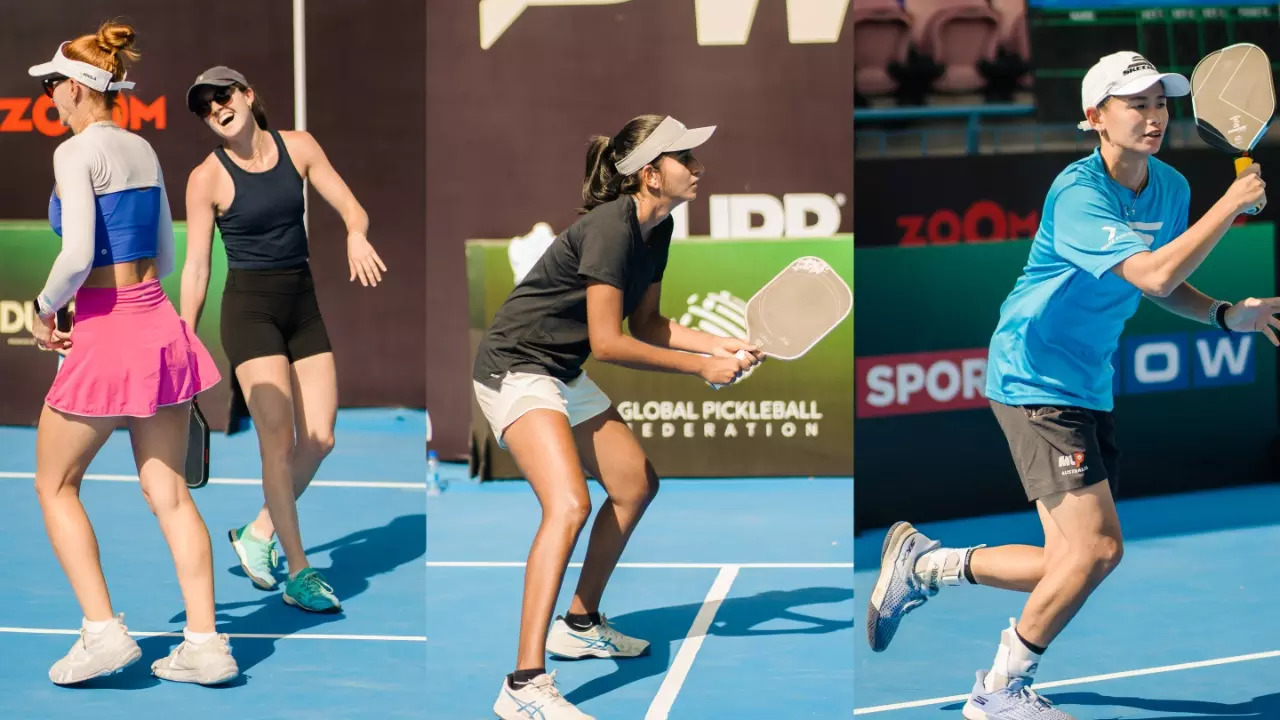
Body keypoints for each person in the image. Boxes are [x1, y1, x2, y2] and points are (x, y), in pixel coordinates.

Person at [866, 51, 1272, 720]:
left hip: (1086, 379)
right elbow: (1150, 276)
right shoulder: (1078, 191)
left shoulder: (1168, 187)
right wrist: (1229, 206)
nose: (1153, 116)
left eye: (1160, 103)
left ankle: (927, 565)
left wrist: (1227, 314)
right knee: (1096, 549)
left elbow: (1166, 285)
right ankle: (997, 690)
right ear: (1095, 117)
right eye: (1135, 103)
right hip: (1034, 373)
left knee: (1076, 558)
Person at [474, 114, 760, 720]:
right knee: (569, 505)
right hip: (516, 366)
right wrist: (699, 370)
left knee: (634, 485)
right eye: (686, 159)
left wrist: (721, 347)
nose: (699, 168)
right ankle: (524, 684)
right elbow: (608, 342)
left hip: (561, 369)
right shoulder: (609, 227)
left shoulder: (660, 225)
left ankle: (578, 622)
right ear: (651, 174)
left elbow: (650, 325)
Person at [26, 22, 238, 686]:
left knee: (53, 484)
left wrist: (41, 310)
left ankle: (102, 633)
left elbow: (79, 254)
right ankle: (205, 644)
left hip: (108, 333)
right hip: (157, 325)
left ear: (77, 86)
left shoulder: (74, 152)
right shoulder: (144, 150)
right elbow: (167, 256)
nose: (48, 94)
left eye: (52, 83)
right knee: (169, 491)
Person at [179, 65, 386, 613]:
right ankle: (298, 571)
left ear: (247, 96)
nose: (216, 109)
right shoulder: (206, 178)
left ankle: (255, 533)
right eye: (205, 107)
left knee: (320, 438)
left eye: (223, 96)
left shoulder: (299, 146)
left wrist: (355, 235)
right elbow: (198, 267)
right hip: (250, 312)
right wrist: (184, 332)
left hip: (302, 304)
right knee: (279, 438)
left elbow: (352, 207)